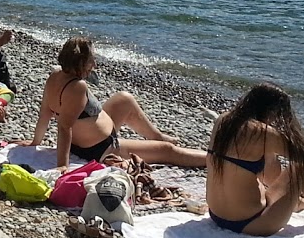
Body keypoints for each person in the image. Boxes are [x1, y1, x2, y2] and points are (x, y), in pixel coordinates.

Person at [30, 38, 206, 169]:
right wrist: (63, 166)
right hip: (102, 148)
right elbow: (64, 127)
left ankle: (157, 137)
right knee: (168, 151)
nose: (95, 65)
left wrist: (34, 143)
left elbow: (45, 112)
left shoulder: (55, 76)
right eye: (92, 60)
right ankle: (216, 160)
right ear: (82, 62)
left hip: (91, 136)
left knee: (124, 99)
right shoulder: (77, 87)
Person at [205, 83, 304, 235]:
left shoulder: (223, 120)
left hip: (216, 215)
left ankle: (297, 203)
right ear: (272, 112)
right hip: (253, 223)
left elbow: (267, 165)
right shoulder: (263, 133)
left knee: (267, 157)